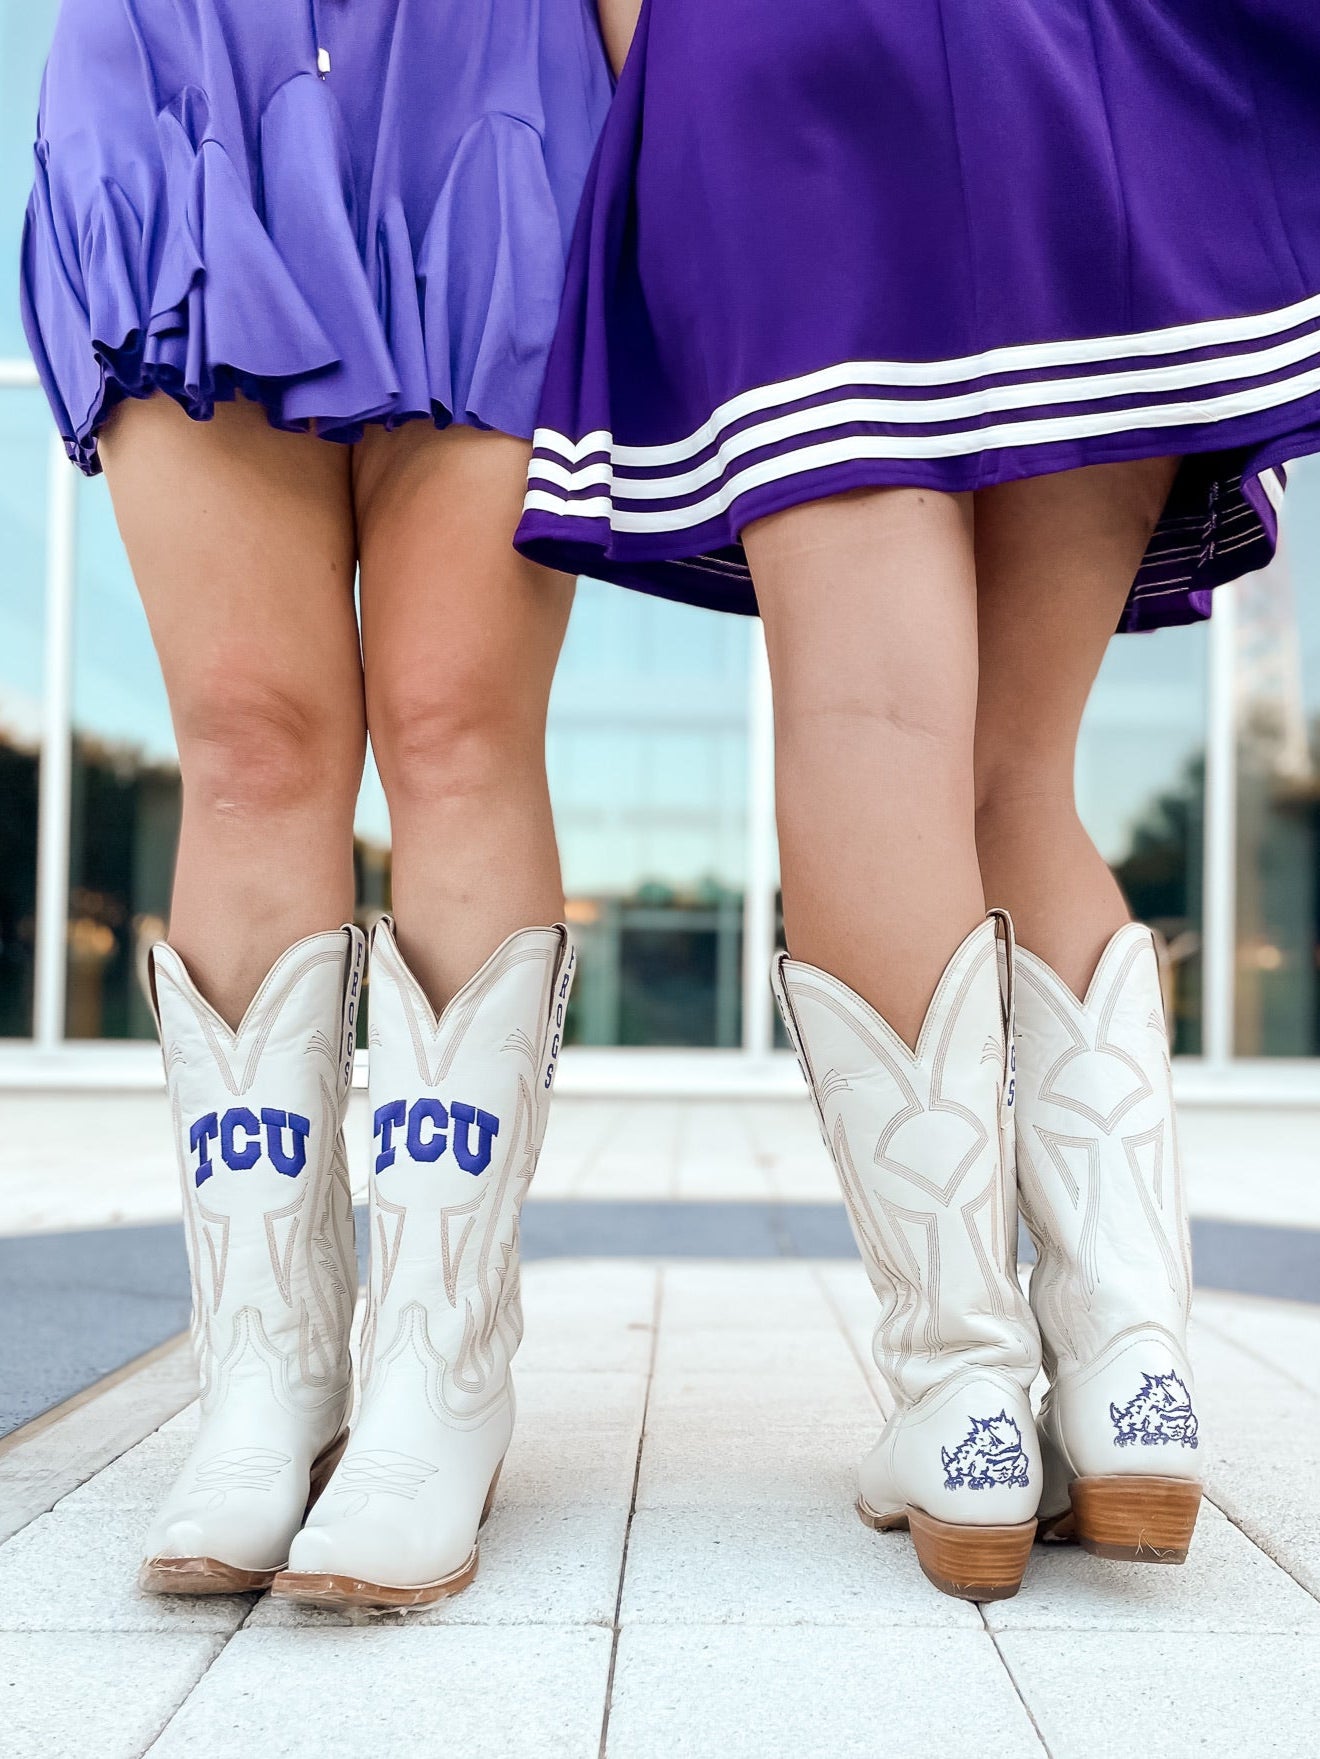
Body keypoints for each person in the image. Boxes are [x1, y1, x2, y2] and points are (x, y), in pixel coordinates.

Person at [516, 1, 1320, 1600]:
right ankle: (1133, 1380)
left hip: (791, 57)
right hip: (1088, 56)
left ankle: (965, 1402)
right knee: (1019, 770)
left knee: (873, 726)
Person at [21, 0, 612, 1609]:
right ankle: (267, 1369)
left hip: (487, 65)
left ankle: (440, 1370)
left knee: (455, 726)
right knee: (251, 741)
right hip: (187, 59)